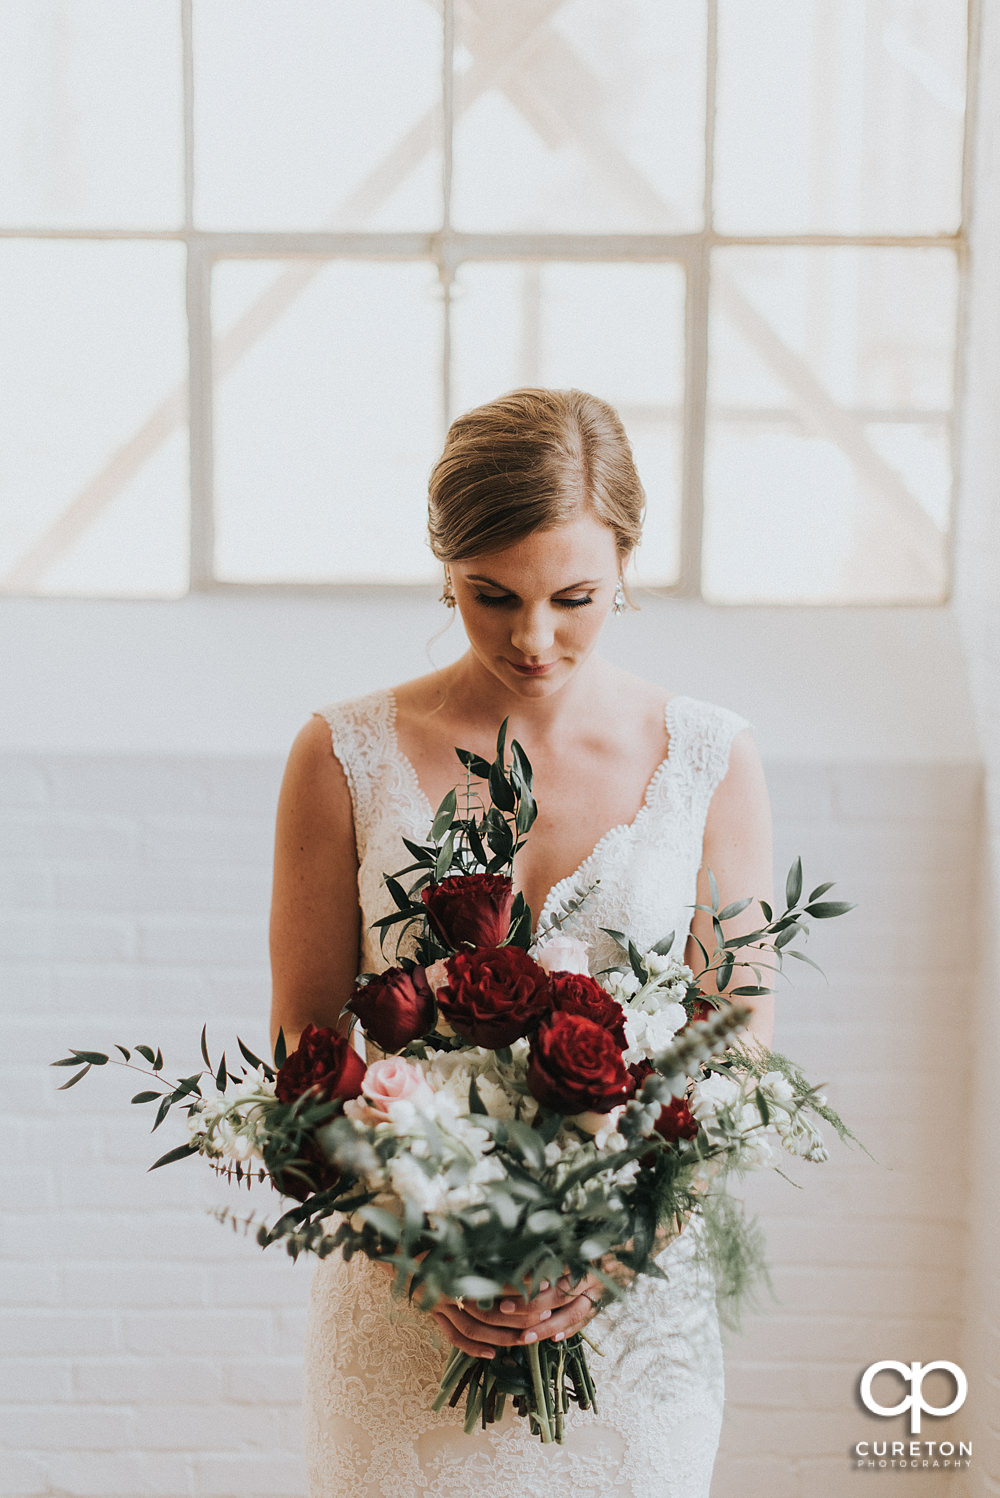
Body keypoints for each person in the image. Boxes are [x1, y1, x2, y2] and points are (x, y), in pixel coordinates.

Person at [269, 388, 774, 1497]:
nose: (532, 638)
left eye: (575, 597)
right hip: (405, 1312)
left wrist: (619, 1245)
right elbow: (306, 1051)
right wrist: (419, 1239)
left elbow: (734, 1049)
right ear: (442, 564)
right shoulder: (340, 756)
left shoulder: (710, 761)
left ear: (627, 564)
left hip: (634, 1317)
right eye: (488, 595)